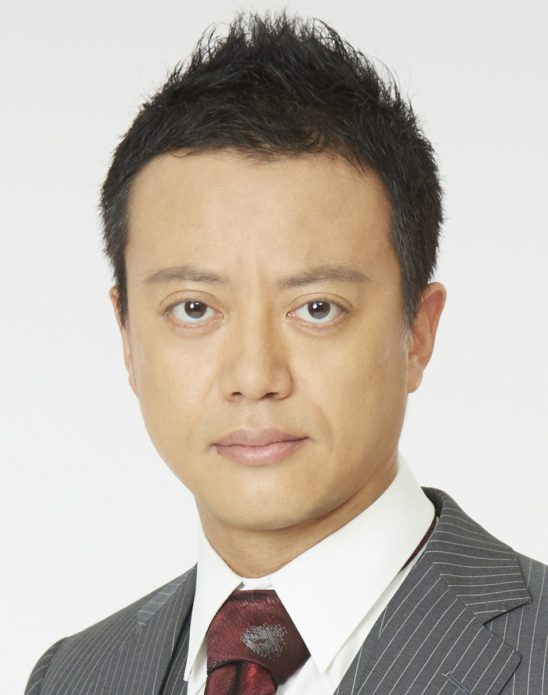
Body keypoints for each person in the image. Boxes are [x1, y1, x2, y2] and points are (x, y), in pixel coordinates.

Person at [25, 11, 547, 695]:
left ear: (418, 332)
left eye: (317, 308)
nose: (254, 377)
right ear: (127, 337)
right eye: (193, 309)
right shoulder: (73, 675)